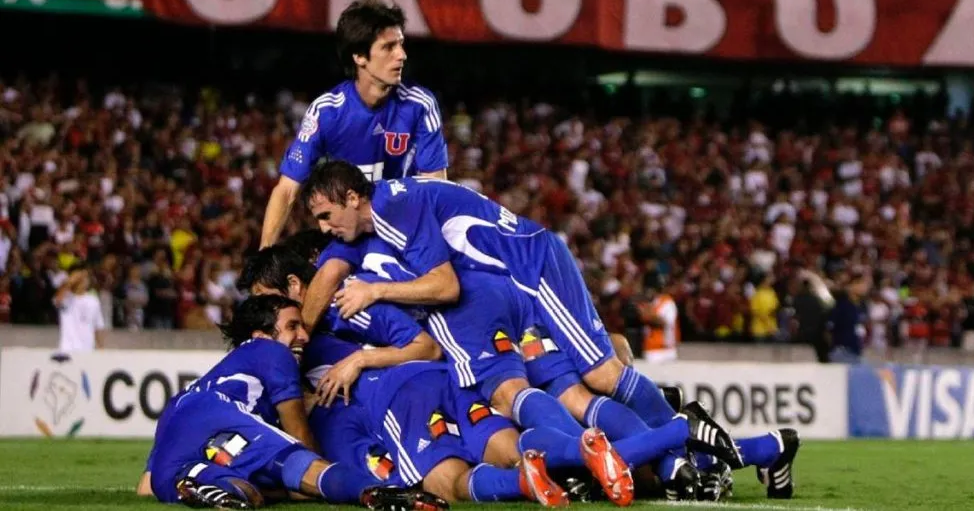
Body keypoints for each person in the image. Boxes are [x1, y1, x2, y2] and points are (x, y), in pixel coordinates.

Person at [297, 164, 757, 499]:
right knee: (568, 388)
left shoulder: (397, 205)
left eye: (324, 215)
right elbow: (334, 270)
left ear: (352, 197)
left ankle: (685, 438)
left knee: (600, 375)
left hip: (531, 270)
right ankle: (679, 457)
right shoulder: (387, 213)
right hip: (509, 287)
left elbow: (445, 285)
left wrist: (376, 292)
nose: (326, 229)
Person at [137, 294, 447, 511]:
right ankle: (375, 493)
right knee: (296, 464)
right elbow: (298, 436)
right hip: (219, 414)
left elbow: (146, 487)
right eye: (292, 326)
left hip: (172, 467)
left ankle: (204, 488)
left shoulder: (201, 384)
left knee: (249, 494)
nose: (303, 336)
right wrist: (332, 480)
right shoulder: (271, 351)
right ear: (261, 334)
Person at [260, 0, 448, 249]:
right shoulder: (326, 112)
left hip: (401, 230)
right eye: (388, 47)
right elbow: (287, 190)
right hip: (349, 235)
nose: (402, 55)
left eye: (401, 45)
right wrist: (264, 256)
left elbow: (436, 187)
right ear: (359, 56)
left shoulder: (420, 105)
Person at [54, 266, 105, 352]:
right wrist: (70, 281)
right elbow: (57, 300)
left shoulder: (93, 300)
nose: (83, 281)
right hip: (67, 349)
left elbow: (98, 326)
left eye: (85, 278)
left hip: (87, 349)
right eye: (80, 279)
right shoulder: (66, 298)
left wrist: (101, 347)